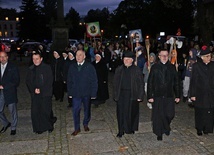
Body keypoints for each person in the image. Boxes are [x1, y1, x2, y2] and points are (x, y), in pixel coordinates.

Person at [147, 49, 180, 141]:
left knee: (169, 114)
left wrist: (177, 95)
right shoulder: (155, 67)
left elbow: (176, 82)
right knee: (158, 115)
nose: (165, 57)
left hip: (169, 95)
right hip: (158, 95)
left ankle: (166, 126)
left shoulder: (172, 67)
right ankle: (159, 132)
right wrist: (150, 96)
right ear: (159, 56)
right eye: (163, 55)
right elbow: (150, 82)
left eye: (166, 55)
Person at [113, 51, 144, 138]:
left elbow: (140, 83)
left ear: (132, 60)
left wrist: (140, 95)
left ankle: (130, 128)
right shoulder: (119, 69)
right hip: (121, 93)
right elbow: (115, 83)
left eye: (128, 59)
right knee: (121, 113)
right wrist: (115, 94)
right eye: (125, 59)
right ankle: (121, 130)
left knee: (131, 112)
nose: (126, 61)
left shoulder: (136, 70)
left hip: (132, 93)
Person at [67, 50, 98, 136]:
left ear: (84, 56)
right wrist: (69, 92)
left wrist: (93, 93)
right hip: (76, 93)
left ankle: (85, 123)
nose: (78, 56)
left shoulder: (89, 67)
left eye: (80, 55)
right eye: (77, 55)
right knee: (75, 110)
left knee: (87, 109)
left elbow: (94, 80)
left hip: (86, 92)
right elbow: (69, 80)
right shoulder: (72, 66)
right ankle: (77, 128)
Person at [26, 52, 55, 134]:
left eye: (37, 59)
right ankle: (38, 128)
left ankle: (49, 126)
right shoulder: (31, 69)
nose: (35, 60)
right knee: (36, 111)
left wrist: (41, 90)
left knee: (46, 111)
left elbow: (49, 81)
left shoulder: (47, 68)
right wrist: (33, 89)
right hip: (35, 94)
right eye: (33, 59)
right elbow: (28, 81)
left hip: (45, 93)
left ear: (41, 59)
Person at [189, 45, 214, 136]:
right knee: (200, 111)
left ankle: (207, 128)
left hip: (210, 93)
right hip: (200, 93)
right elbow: (193, 81)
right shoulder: (197, 66)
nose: (209, 58)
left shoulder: (213, 65)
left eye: (210, 56)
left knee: (209, 111)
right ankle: (199, 128)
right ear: (202, 57)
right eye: (207, 56)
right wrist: (192, 94)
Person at [0, 51, 20, 135]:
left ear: (7, 57)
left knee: (12, 111)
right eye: (1, 57)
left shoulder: (12, 67)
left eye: (4, 56)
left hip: (10, 91)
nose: (2, 59)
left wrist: (5, 86)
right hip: (1, 93)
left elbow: (16, 81)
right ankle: (6, 123)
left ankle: (13, 127)